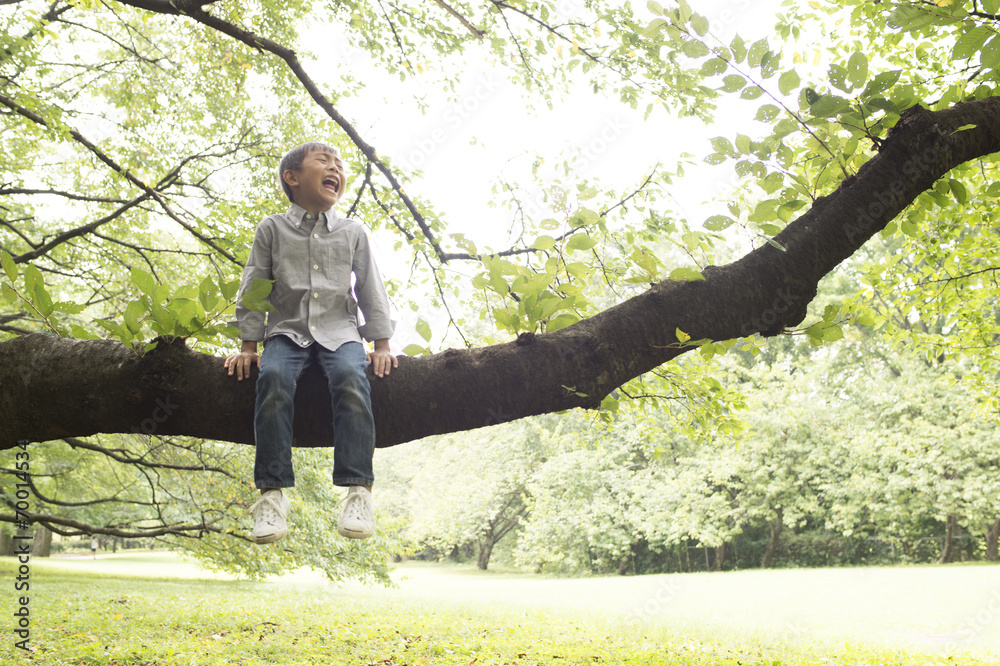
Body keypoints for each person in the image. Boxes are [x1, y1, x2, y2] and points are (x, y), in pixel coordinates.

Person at [224, 141, 397, 545]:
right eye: (324, 161)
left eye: (339, 164)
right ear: (293, 177)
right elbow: (253, 287)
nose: (335, 167)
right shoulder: (272, 229)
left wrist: (383, 343)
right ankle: (271, 496)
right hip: (287, 332)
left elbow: (372, 288)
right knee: (272, 382)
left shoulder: (353, 232)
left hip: (341, 332)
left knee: (353, 381)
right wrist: (249, 347)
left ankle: (359, 492)